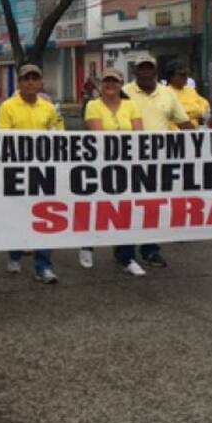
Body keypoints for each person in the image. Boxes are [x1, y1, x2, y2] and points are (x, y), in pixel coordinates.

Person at [123, 57, 193, 269]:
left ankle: (150, 250)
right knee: (127, 206)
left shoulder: (168, 94)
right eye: (141, 69)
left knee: (151, 206)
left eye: (149, 69)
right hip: (128, 158)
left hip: (158, 160)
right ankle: (125, 252)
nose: (145, 73)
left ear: (155, 72)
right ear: (135, 71)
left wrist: (204, 143)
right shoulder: (124, 91)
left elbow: (183, 122)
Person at [0, 63, 63, 283]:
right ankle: (15, 254)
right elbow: (3, 140)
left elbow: (58, 136)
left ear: (41, 83)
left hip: (43, 171)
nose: (31, 82)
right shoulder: (7, 107)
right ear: (20, 83)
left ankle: (44, 266)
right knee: (19, 217)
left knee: (45, 218)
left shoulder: (49, 108)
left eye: (35, 78)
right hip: (17, 170)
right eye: (27, 79)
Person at [82, 69, 144, 272]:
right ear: (100, 84)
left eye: (114, 81)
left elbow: (139, 134)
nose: (110, 85)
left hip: (127, 166)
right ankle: (87, 245)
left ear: (121, 84)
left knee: (126, 209)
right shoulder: (93, 105)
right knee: (97, 207)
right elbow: (99, 135)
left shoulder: (131, 105)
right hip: (100, 165)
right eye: (106, 81)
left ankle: (127, 256)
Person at [166, 63, 211, 129]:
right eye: (182, 75)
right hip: (176, 134)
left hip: (195, 134)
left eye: (187, 74)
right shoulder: (165, 92)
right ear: (171, 76)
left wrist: (192, 112)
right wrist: (196, 112)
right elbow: (175, 115)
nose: (186, 77)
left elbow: (206, 107)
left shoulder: (191, 91)